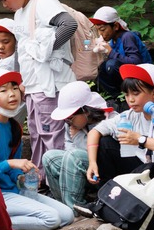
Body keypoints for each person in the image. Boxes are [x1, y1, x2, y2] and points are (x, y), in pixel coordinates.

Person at [0, 0, 78, 172]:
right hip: (33, 86)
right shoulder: (20, 13)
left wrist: (46, 49)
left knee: (52, 136)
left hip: (50, 84)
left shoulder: (43, 3)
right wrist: (19, 81)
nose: (3, 3)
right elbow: (22, 51)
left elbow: (69, 25)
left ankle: (56, 182)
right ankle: (40, 178)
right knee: (37, 134)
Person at [0, 67, 73, 230]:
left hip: (13, 190)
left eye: (15, 88)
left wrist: (22, 178)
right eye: (4, 90)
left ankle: (2, 220)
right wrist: (10, 164)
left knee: (67, 215)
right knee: (52, 218)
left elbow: (12, 171)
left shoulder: (14, 127)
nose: (12, 94)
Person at [83, 63, 154, 195]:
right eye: (126, 94)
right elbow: (96, 131)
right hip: (144, 168)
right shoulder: (132, 114)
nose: (130, 100)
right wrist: (92, 163)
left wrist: (140, 140)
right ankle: (106, 198)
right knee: (105, 143)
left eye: (136, 93)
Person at [42, 82, 113, 212]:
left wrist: (78, 138)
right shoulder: (71, 125)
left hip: (103, 172)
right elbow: (69, 148)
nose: (68, 121)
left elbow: (101, 153)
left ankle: (75, 208)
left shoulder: (109, 121)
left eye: (71, 117)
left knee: (74, 156)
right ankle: (62, 205)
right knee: (49, 157)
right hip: (81, 171)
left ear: (86, 111)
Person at [89, 6, 148, 97]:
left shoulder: (127, 37)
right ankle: (118, 96)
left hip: (142, 76)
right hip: (129, 78)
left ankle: (125, 94)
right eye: (98, 30)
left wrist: (110, 52)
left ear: (115, 26)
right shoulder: (113, 41)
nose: (100, 34)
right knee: (100, 68)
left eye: (102, 30)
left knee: (111, 65)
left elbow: (136, 62)